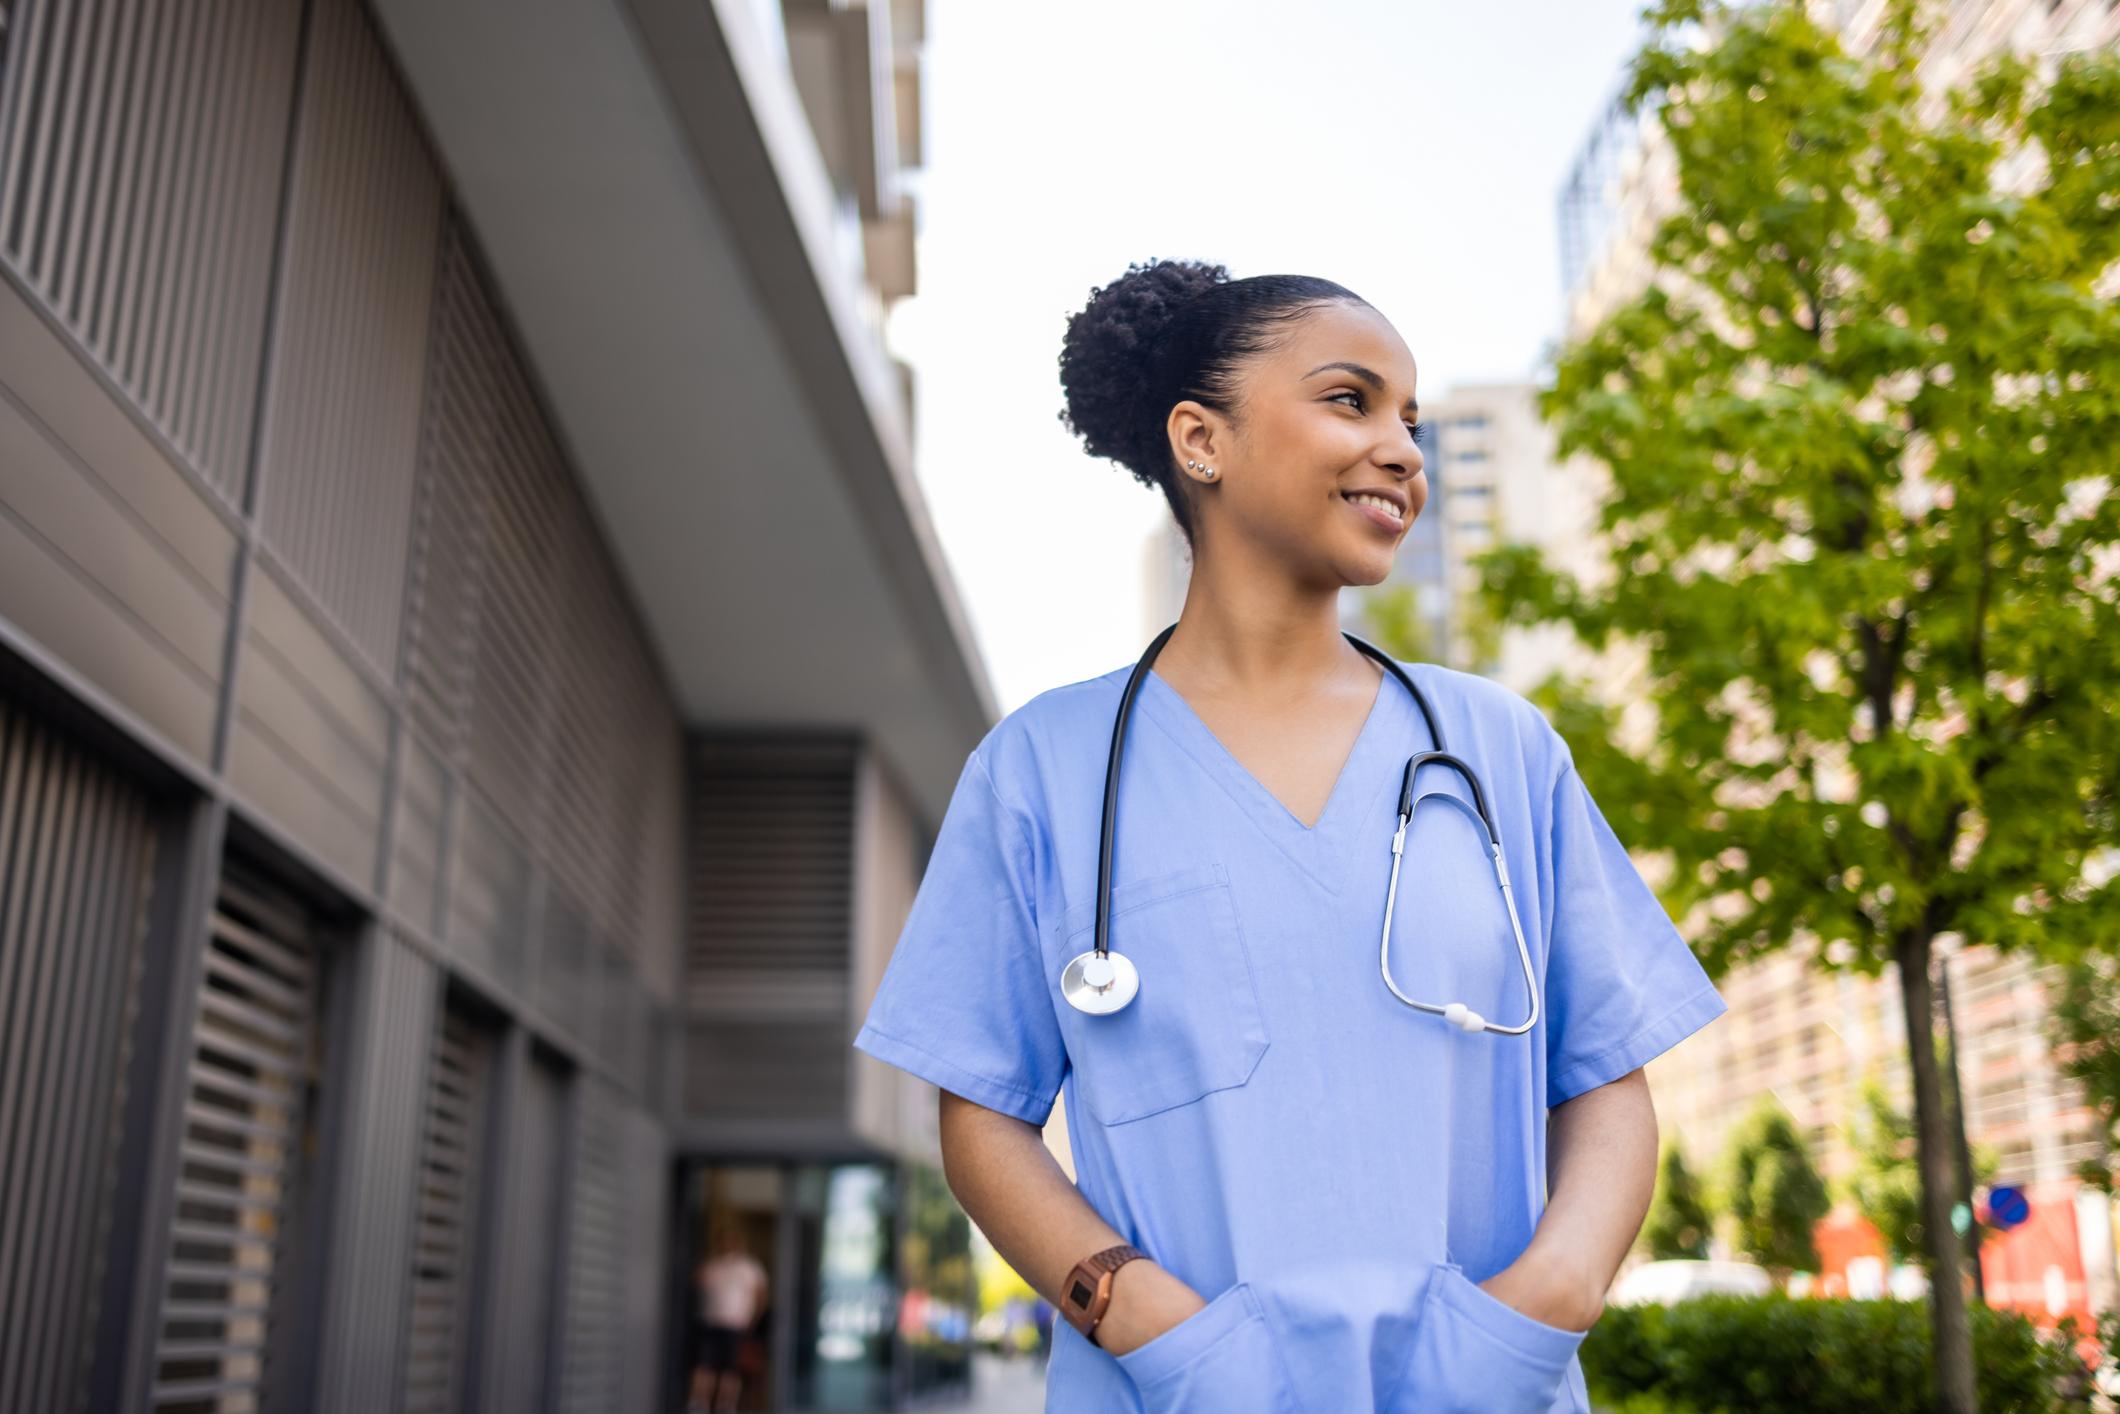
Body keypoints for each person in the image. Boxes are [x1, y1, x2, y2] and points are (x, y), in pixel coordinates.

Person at [850, 258, 1729, 1412]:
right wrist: (1159, 1331)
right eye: (1348, 400)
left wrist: (1540, 1307)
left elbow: (1606, 1077)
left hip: (1482, 1389)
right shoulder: (1041, 770)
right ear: (1198, 440)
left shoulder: (1495, 749)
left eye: (1409, 419)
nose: (1402, 449)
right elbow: (980, 1116)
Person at [689, 1229, 767, 1413]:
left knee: (730, 1370)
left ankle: (726, 1406)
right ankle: (699, 1404)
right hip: (711, 1323)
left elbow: (760, 1296)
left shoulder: (749, 1268)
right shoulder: (713, 1265)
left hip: (736, 1326)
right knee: (704, 1366)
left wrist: (752, 1320)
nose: (728, 1246)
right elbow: (697, 1283)